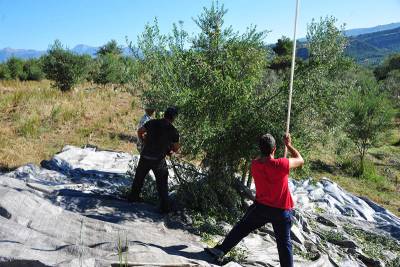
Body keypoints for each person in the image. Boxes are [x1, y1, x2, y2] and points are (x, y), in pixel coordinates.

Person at [206, 133, 304, 267]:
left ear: (260, 149)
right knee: (284, 244)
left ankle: (220, 250)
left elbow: (262, 158)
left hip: (261, 208)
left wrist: (269, 152)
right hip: (280, 211)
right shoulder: (281, 164)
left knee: (242, 227)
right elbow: (300, 159)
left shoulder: (255, 165)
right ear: (274, 149)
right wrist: (289, 145)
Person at [128, 107, 180, 213]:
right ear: (174, 118)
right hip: (158, 160)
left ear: (164, 114)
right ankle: (165, 207)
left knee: (138, 179)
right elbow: (175, 148)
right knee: (162, 184)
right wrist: (169, 149)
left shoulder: (152, 123)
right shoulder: (173, 131)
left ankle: (133, 198)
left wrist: (143, 141)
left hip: (145, 156)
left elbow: (140, 131)